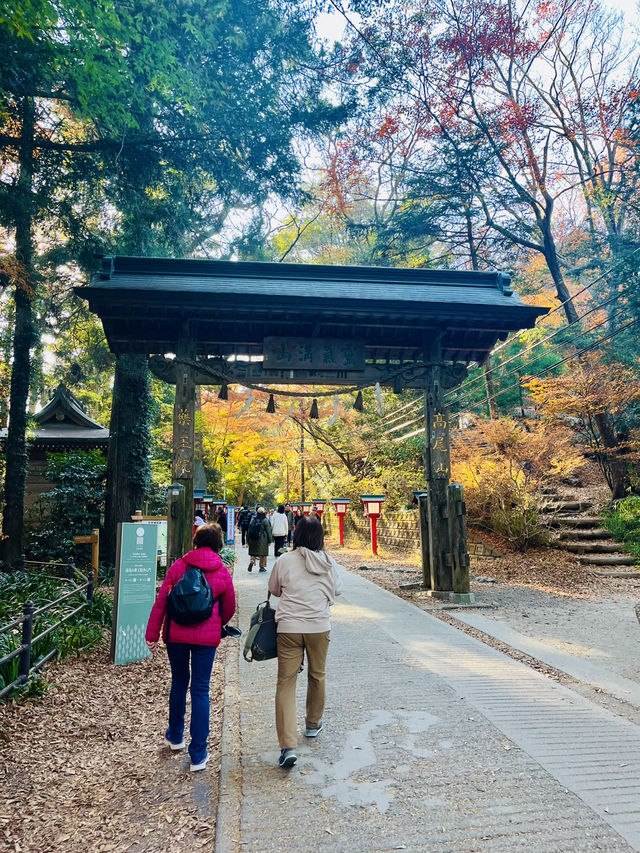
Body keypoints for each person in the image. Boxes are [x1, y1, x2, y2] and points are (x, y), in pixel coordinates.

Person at [145, 523, 236, 772]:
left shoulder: (178, 566)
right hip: (206, 639)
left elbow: (161, 602)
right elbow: (229, 607)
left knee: (179, 683)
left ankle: (175, 737)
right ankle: (198, 754)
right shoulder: (221, 571)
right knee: (200, 689)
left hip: (176, 635)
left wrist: (151, 634)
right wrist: (219, 623)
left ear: (195, 542)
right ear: (218, 545)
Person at [267, 515, 344, 770]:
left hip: (288, 628)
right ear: (320, 538)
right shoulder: (328, 562)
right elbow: (338, 590)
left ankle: (288, 746)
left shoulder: (285, 560)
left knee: (286, 683)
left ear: (296, 535)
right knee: (317, 675)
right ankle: (312, 724)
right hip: (319, 627)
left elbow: (274, 589)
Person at [247, 506, 273, 573]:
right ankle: (262, 566)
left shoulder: (253, 519)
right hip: (262, 539)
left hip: (253, 538)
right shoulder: (265, 520)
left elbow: (249, 530)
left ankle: (252, 560)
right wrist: (270, 540)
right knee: (263, 553)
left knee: (253, 551)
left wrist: (247, 540)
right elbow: (268, 531)